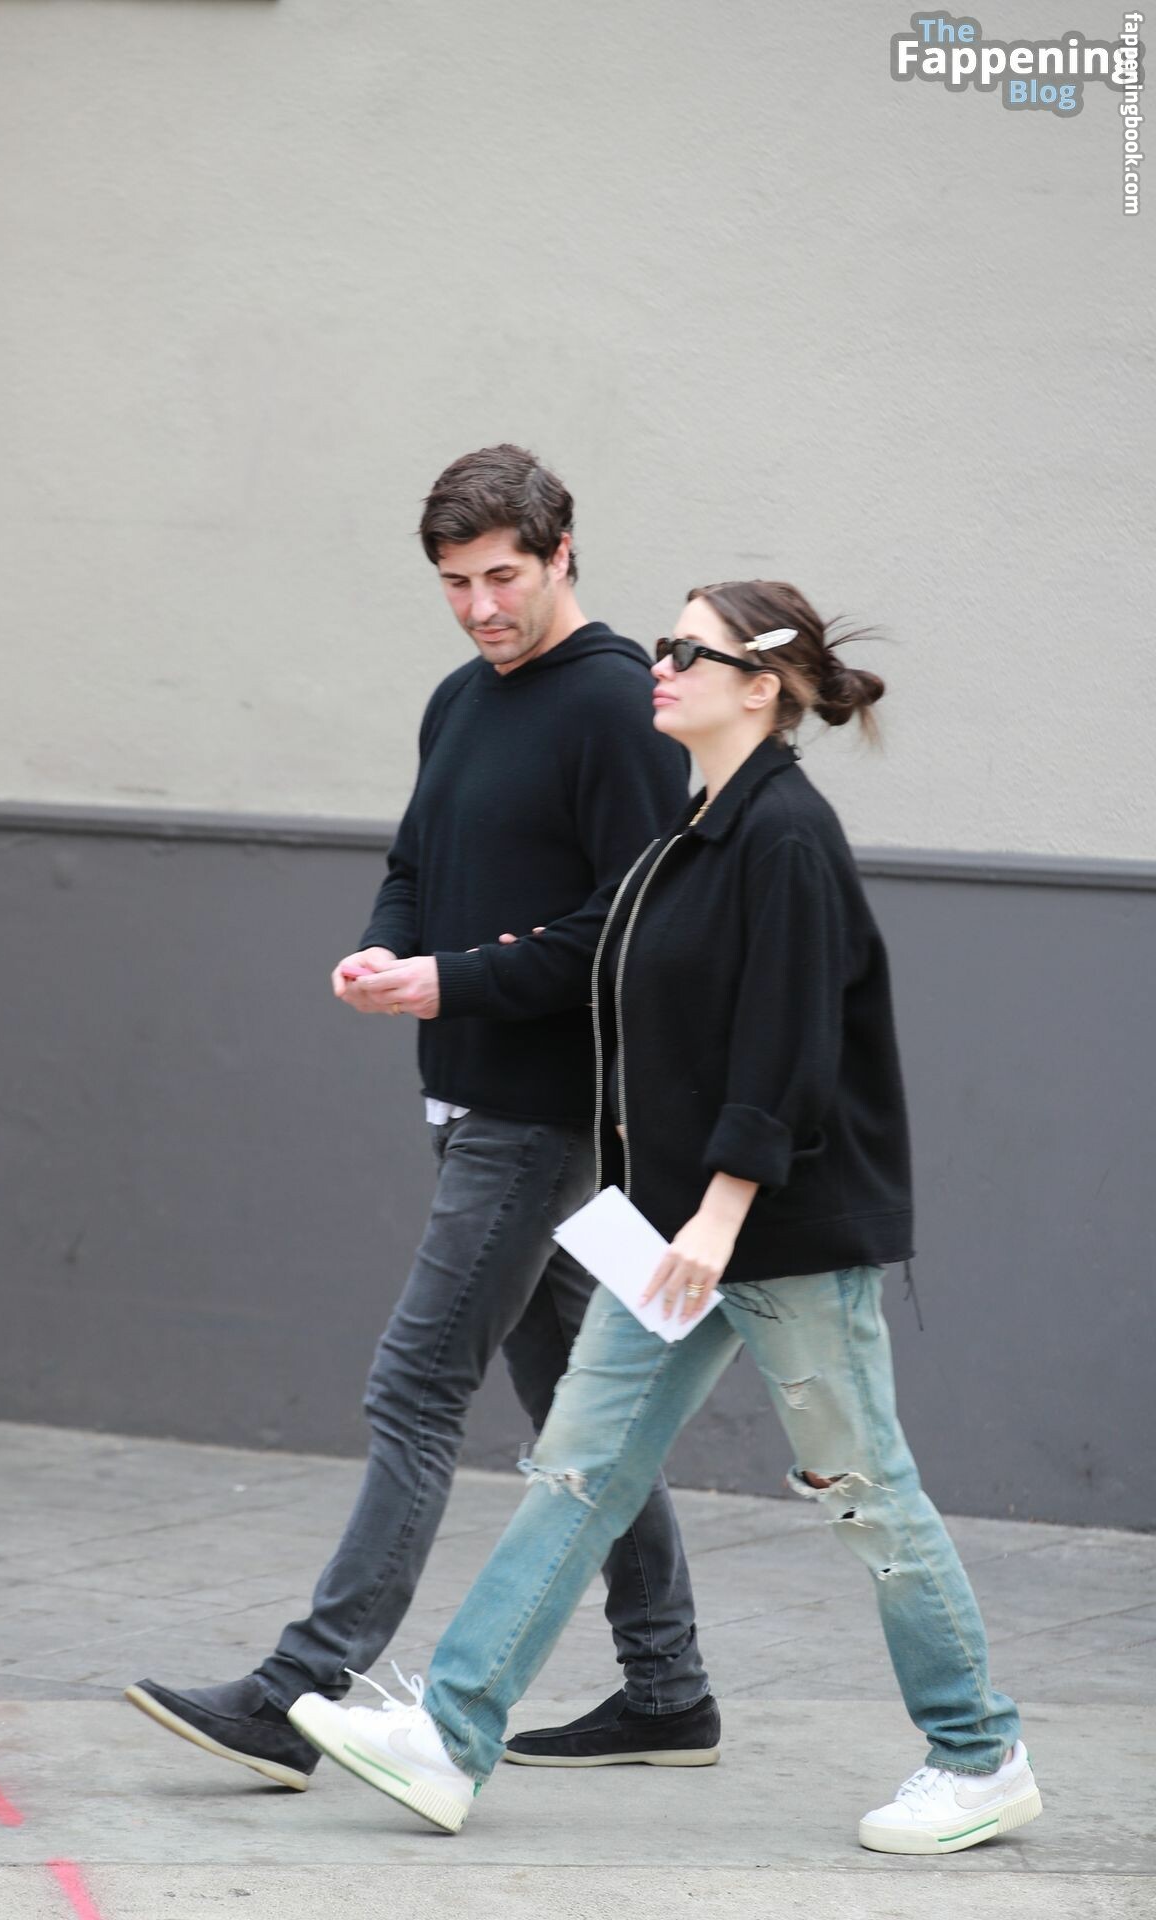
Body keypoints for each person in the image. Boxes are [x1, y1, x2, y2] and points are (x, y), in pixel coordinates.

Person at [288, 577, 1043, 1857]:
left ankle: (977, 1754)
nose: (663, 664)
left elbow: (786, 1046)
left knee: (863, 1490)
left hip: (773, 1238)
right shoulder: (690, 829)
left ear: (760, 685)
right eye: (662, 644)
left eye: (690, 650)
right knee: (577, 1470)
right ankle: (452, 1736)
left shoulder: (783, 837)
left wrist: (721, 1210)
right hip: (673, 1228)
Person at [125, 446, 724, 1787]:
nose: (479, 609)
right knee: (579, 1408)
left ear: (562, 553)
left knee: (413, 1386)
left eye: (502, 577)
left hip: (542, 1111)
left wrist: (452, 980)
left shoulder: (619, 706)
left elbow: (631, 931)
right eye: (454, 584)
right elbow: (414, 863)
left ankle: (296, 1690)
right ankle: (668, 1688)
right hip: (463, 1094)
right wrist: (383, 948)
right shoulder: (460, 699)